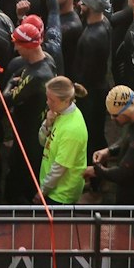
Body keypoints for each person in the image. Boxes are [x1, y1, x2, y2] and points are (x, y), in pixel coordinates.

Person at [86, 85, 134, 204]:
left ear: (127, 111)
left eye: (115, 115)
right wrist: (109, 151)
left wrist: (96, 170)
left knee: (125, 222)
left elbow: (121, 174)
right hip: (133, 185)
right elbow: (128, 139)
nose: (112, 119)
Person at [37, 75, 87, 205]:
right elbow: (42, 141)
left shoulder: (72, 130)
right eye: (47, 97)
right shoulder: (57, 112)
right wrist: (47, 124)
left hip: (61, 194)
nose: (47, 102)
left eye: (52, 100)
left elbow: (59, 169)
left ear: (66, 101)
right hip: (51, 185)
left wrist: (42, 191)